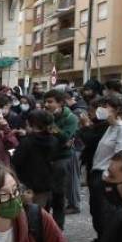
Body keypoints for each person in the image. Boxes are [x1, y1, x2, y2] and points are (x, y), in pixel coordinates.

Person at [82, 94, 122, 242]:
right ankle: (101, 240)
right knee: (97, 212)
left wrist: (107, 176)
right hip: (98, 173)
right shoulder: (110, 127)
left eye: (105, 106)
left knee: (107, 214)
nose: (101, 109)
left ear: (117, 109)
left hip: (108, 177)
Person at [43, 89, 79, 229]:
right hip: (46, 158)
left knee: (58, 195)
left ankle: (58, 228)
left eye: (50, 102)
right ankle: (44, 226)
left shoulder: (70, 118)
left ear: (60, 103)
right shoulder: (45, 115)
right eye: (45, 102)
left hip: (61, 159)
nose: (46, 105)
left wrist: (51, 125)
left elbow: (65, 137)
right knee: (45, 195)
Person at [12, 110, 58, 210]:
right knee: (42, 212)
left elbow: (16, 161)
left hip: (28, 184)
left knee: (29, 212)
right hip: (46, 183)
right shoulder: (53, 140)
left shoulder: (27, 142)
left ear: (32, 125)